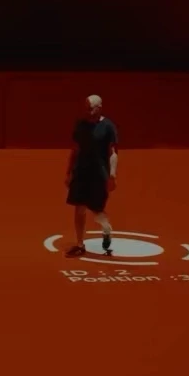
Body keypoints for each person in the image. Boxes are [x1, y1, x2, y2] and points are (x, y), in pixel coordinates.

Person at [64, 94, 119, 258]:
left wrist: (112, 174)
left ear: (99, 108)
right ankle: (80, 244)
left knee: (96, 208)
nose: (88, 112)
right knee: (79, 207)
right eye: (86, 108)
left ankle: (106, 227)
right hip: (81, 171)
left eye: (91, 109)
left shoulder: (108, 127)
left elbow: (113, 152)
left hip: (99, 173)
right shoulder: (81, 125)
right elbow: (75, 149)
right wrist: (69, 171)